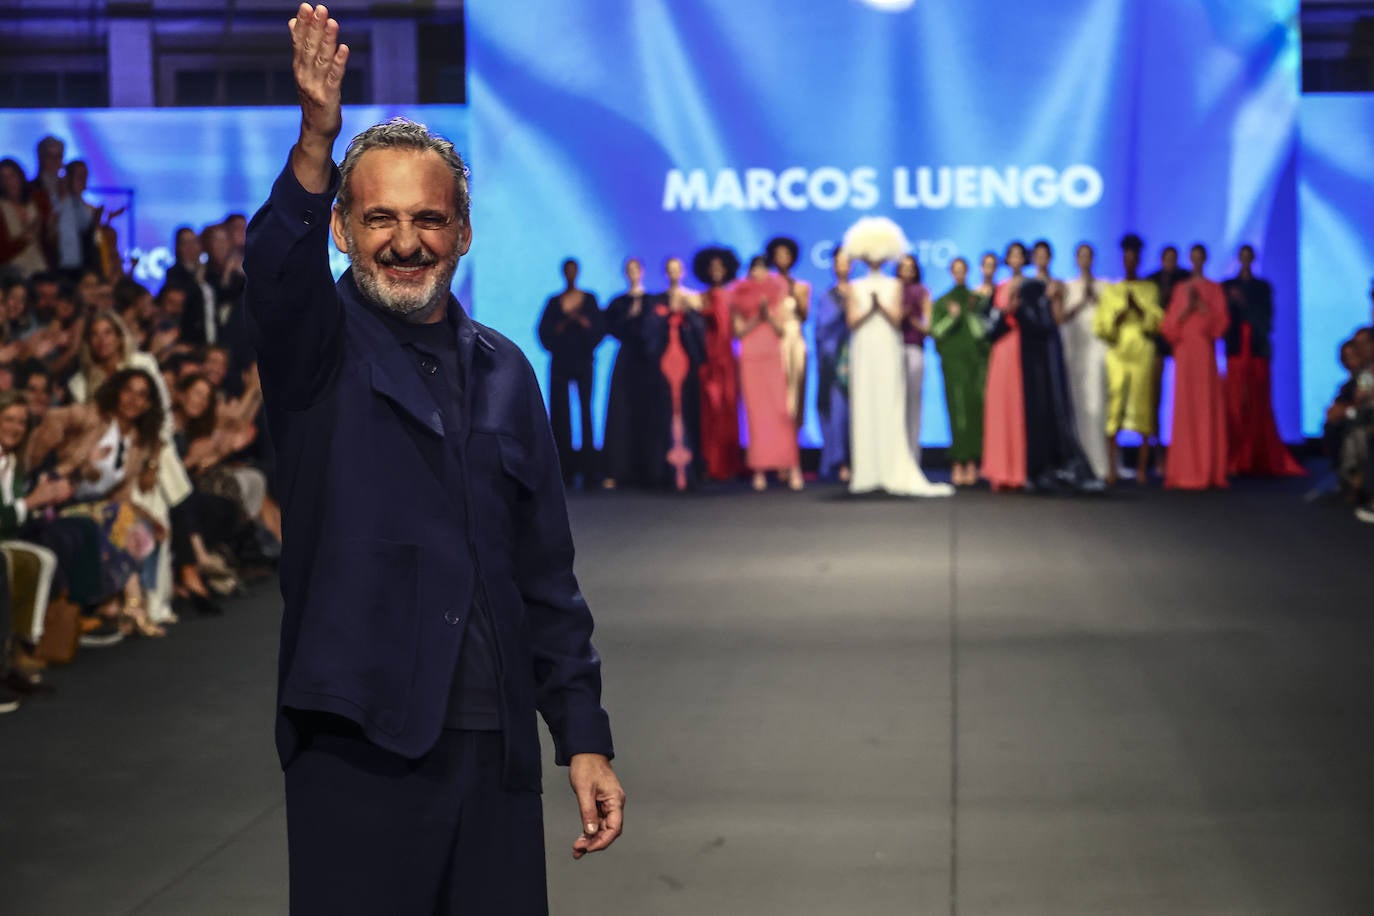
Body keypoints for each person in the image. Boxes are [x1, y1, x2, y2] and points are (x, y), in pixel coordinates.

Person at [245, 9, 623, 912]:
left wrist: (582, 734)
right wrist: (315, 140)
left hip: (494, 752)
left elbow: (547, 573)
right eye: (378, 218)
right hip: (358, 741)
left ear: (462, 233)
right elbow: (273, 269)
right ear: (341, 230)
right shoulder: (316, 349)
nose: (404, 241)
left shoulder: (506, 369)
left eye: (427, 218)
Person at [840, 218, 951, 498]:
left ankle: (891, 468)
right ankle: (866, 472)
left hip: (888, 346)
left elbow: (896, 319)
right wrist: (870, 309)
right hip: (864, 347)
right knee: (864, 403)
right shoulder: (854, 286)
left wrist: (880, 307)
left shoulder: (895, 285)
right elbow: (852, 321)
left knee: (890, 403)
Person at [1222, 244, 1304, 477]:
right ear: (1239, 258)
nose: (1245, 260)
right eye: (1242, 256)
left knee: (1258, 401)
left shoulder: (1262, 287)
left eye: (1249, 257)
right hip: (1237, 351)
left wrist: (1245, 307)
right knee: (1236, 404)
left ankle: (1257, 455)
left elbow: (1267, 318)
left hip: (1257, 350)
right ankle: (1236, 457)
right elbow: (1224, 319)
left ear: (1253, 259)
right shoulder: (1228, 286)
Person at [1014, 274, 1099, 492]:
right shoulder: (1026, 309)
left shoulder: (1043, 309)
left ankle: (1059, 468)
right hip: (1034, 378)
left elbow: (1054, 323)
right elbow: (1042, 327)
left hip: (1048, 375)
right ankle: (1039, 471)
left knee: (1056, 419)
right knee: (1039, 423)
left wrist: (1055, 301)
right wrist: (1048, 301)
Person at [1095, 234, 1163, 485]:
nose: (1130, 260)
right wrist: (1120, 315)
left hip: (1142, 350)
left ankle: (1143, 469)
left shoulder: (1149, 289)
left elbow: (1157, 321)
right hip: (1118, 350)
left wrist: (1141, 310)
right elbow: (1101, 326)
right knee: (1114, 406)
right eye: (1127, 256)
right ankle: (1111, 467)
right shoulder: (1112, 290)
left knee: (1144, 406)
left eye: (1134, 256)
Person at [1161, 244, 1229, 490]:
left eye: (1201, 258)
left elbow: (1221, 326)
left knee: (1205, 409)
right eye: (1194, 258)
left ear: (1205, 259)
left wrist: (1201, 307)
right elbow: (1168, 327)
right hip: (1185, 355)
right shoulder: (1181, 289)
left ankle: (1207, 469)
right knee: (1185, 410)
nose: (1197, 261)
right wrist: (1186, 310)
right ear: (1189, 260)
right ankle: (1184, 470)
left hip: (1205, 355)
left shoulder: (1214, 289)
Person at [733, 256, 802, 491]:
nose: (759, 273)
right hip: (751, 354)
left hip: (773, 353)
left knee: (781, 411)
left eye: (763, 268)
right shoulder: (739, 294)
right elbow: (739, 332)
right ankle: (759, 470)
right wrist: (756, 316)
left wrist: (768, 314)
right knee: (756, 415)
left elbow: (782, 330)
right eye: (755, 269)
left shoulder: (777, 294)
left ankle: (792, 466)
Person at [536, 258, 604, 486]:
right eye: (568, 271)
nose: (571, 275)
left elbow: (599, 329)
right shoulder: (555, 302)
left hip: (583, 360)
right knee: (560, 413)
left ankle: (590, 471)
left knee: (586, 412)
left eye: (574, 271)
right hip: (561, 362)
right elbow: (544, 333)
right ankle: (563, 469)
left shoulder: (589, 299)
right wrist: (565, 322)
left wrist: (582, 322)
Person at [601, 257, 661, 489]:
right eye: (629, 270)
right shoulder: (618, 303)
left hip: (648, 361)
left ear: (642, 271)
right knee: (622, 412)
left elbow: (657, 329)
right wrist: (630, 316)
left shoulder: (653, 301)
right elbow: (610, 327)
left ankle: (651, 470)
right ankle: (619, 470)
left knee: (650, 412)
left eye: (636, 269)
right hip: (627, 360)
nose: (633, 273)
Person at [930, 257, 987, 486]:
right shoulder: (943, 301)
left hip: (976, 362)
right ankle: (958, 461)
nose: (960, 274)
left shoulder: (977, 300)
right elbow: (936, 332)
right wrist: (953, 317)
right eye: (956, 270)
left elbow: (983, 334)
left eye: (963, 270)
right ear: (951, 273)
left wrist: (970, 313)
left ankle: (973, 461)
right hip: (953, 363)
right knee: (957, 412)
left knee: (975, 411)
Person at [655, 257, 707, 491]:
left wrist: (688, 313)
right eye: (670, 270)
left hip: (686, 361)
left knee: (687, 411)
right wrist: (667, 315)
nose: (674, 273)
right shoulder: (659, 300)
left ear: (682, 272)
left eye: (677, 269)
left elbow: (701, 333)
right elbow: (652, 333)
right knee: (668, 412)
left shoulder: (693, 298)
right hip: (667, 360)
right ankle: (669, 473)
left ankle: (691, 472)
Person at [691, 245, 743, 482]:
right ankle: (710, 463)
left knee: (728, 409)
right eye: (711, 268)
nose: (716, 271)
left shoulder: (733, 295)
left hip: (727, 358)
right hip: (708, 359)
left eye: (720, 267)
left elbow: (736, 328)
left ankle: (729, 463)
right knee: (709, 411)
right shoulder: (701, 298)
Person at [981, 243, 1028, 492]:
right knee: (1000, 408)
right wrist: (1005, 311)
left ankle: (1020, 471)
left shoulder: (1032, 287)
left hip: (1025, 350)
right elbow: (988, 325)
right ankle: (999, 470)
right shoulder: (998, 288)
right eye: (1011, 256)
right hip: (1002, 351)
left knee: (1021, 409)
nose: (1016, 259)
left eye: (1020, 255)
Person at [1060, 243, 1110, 479]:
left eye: (1088, 256)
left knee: (1098, 407)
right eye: (1081, 256)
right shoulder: (1068, 287)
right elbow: (1062, 318)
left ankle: (1101, 464)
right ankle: (1077, 462)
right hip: (1075, 352)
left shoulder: (1105, 286)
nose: (1085, 260)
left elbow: (1111, 319)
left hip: (1098, 352)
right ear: (1076, 259)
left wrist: (1097, 298)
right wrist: (1082, 301)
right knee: (1076, 409)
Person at [815, 246, 852, 482]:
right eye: (838, 262)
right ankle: (840, 461)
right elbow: (821, 330)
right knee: (837, 413)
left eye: (846, 262)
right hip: (835, 361)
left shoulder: (859, 292)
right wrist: (842, 310)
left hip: (858, 358)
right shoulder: (828, 296)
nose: (842, 266)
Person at [766, 236, 810, 430]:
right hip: (774, 340)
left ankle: (793, 440)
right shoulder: (767, 286)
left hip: (795, 339)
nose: (783, 259)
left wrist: (793, 294)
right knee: (775, 392)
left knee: (796, 388)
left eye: (786, 255)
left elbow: (804, 315)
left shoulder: (801, 286)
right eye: (778, 255)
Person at [897, 253, 931, 465]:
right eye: (904, 267)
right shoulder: (892, 290)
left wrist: (912, 319)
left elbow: (927, 328)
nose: (907, 271)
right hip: (892, 351)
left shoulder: (922, 292)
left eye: (911, 267)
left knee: (913, 403)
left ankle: (912, 457)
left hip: (914, 349)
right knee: (894, 405)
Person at [0, 159, 47, 281]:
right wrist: (24, 239)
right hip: (13, 274)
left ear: (20, 176)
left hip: (41, 268)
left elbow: (48, 239)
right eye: (3, 178)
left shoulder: (37, 201)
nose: (8, 182)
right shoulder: (2, 208)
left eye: (12, 176)